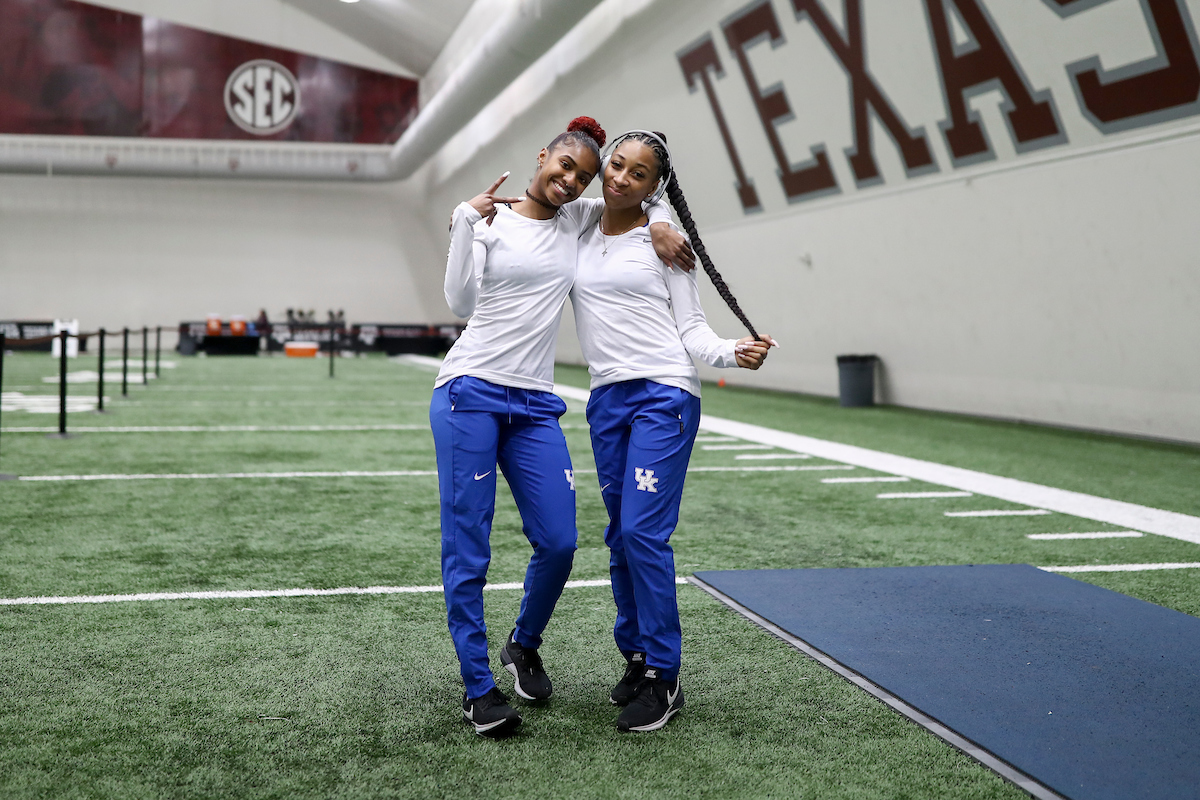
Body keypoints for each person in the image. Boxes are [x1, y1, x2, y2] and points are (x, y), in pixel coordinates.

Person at [431, 117, 692, 737]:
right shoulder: (488, 221)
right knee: (469, 549)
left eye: (581, 174)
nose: (570, 180)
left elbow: (641, 189)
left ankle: (522, 645)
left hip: (535, 404)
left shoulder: (579, 219)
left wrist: (661, 224)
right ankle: (478, 690)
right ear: (542, 155)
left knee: (560, 542)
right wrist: (463, 222)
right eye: (563, 165)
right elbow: (459, 304)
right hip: (469, 392)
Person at [570, 130, 777, 733]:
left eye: (638, 174)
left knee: (642, 531)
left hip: (665, 394)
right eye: (616, 165)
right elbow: (540, 203)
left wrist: (733, 353)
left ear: (654, 186)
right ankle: (634, 657)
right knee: (618, 535)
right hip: (607, 397)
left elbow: (692, 330)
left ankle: (665, 675)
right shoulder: (580, 225)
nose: (620, 179)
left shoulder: (667, 246)